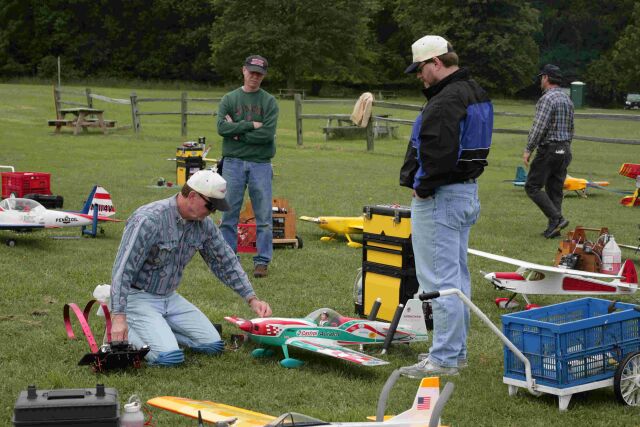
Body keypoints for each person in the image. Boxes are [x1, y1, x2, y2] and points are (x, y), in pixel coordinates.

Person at [398, 35, 493, 377]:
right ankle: (456, 352)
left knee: (437, 281)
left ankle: (444, 359)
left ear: (436, 63)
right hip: (466, 192)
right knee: (457, 279)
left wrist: (422, 188)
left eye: (421, 69)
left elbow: (438, 154)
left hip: (441, 197)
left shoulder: (444, 100)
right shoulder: (475, 92)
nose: (419, 77)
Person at [109, 169, 272, 366]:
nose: (212, 212)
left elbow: (225, 261)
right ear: (193, 196)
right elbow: (123, 269)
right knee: (169, 358)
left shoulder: (204, 224)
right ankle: (118, 326)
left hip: (169, 297)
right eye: (210, 205)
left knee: (213, 345)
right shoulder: (149, 219)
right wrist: (119, 316)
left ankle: (159, 328)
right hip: (137, 297)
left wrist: (252, 298)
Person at [217, 55, 279, 278]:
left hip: (261, 164)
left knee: (263, 217)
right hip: (232, 163)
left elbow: (267, 135)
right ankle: (228, 259)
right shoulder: (229, 99)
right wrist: (251, 125)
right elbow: (222, 128)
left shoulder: (269, 102)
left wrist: (238, 133)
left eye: (259, 73)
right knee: (228, 214)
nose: (255, 76)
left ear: (264, 76)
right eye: (251, 72)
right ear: (243, 70)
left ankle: (262, 261)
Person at [523, 64, 574, 239]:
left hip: (549, 149)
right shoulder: (568, 99)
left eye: (541, 77)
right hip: (565, 149)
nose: (540, 81)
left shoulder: (547, 99)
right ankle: (554, 227)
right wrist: (566, 147)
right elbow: (571, 127)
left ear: (546, 77)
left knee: (532, 186)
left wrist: (529, 148)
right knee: (555, 190)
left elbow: (539, 127)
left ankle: (556, 218)